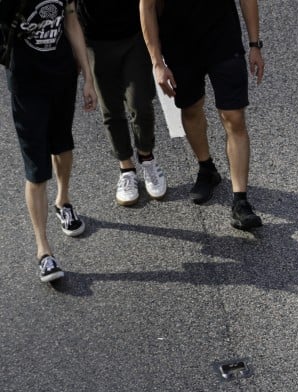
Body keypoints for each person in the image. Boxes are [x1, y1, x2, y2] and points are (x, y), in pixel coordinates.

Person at [139, 0, 264, 230]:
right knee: (191, 109)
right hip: (180, 44)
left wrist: (255, 44)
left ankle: (240, 201)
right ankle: (206, 168)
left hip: (223, 38)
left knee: (234, 117)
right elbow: (146, 7)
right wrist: (157, 62)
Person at [2, 0, 96, 282]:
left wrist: (88, 78)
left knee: (63, 146)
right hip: (26, 85)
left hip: (62, 77)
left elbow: (71, 21)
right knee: (37, 170)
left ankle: (63, 201)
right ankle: (43, 251)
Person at [75, 0, 166, 206]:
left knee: (141, 103)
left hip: (134, 35)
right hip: (94, 42)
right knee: (111, 110)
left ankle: (147, 157)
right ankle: (126, 168)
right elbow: (70, 10)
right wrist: (79, 60)